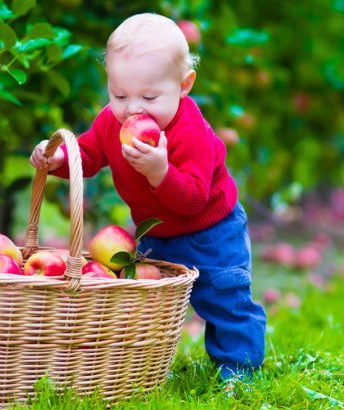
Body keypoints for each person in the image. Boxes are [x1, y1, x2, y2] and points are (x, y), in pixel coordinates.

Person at [29, 13, 266, 383]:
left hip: (212, 232)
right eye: (119, 94)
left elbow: (193, 198)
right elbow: (89, 154)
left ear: (184, 85)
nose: (133, 109)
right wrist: (57, 160)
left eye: (150, 96)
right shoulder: (112, 121)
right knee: (152, 302)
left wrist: (160, 172)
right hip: (156, 233)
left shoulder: (191, 132)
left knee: (224, 297)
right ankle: (150, 367)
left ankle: (239, 368)